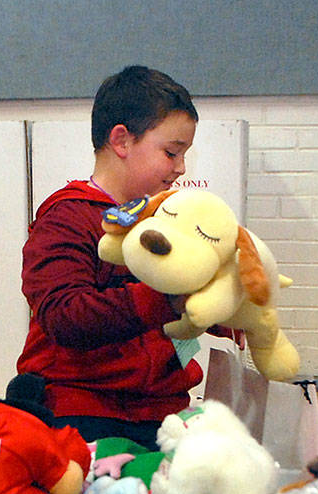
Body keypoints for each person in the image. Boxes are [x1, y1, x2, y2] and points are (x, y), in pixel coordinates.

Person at [16, 65, 212, 451]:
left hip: (162, 411)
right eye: (171, 152)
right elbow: (63, 314)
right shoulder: (67, 216)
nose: (180, 168)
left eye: (184, 154)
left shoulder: (167, 219)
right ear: (121, 140)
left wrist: (218, 307)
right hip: (83, 412)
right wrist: (166, 300)